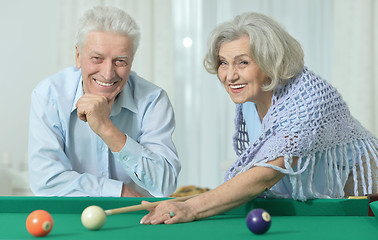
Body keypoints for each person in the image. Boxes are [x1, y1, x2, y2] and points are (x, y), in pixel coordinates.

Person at [140, 12, 378, 224]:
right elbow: (257, 169)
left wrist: (191, 208)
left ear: (271, 60)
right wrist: (186, 201)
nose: (230, 75)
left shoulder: (309, 96)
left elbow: (268, 172)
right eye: (224, 63)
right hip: (326, 203)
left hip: (367, 200)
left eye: (243, 62)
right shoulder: (251, 99)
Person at [28, 6, 180, 197]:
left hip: (136, 219)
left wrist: (106, 128)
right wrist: (119, 191)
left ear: (131, 61)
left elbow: (164, 184)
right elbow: (45, 181)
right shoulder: (49, 95)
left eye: (120, 61)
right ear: (78, 56)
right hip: (71, 216)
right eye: (97, 58)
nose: (108, 74)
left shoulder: (153, 100)